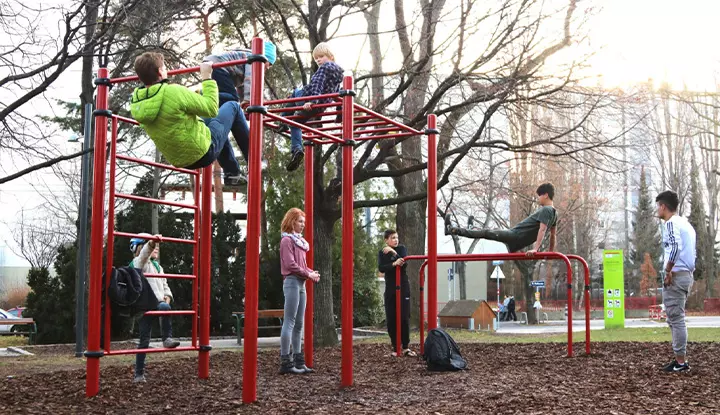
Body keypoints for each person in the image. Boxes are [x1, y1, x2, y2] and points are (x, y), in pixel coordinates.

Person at [130, 52, 245, 185]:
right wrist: (207, 78)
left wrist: (196, 97)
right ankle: (254, 161)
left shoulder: (136, 102)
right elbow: (212, 108)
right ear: (160, 72)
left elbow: (171, 116)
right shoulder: (172, 91)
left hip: (180, 160)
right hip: (203, 152)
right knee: (233, 106)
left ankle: (232, 173)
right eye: (165, 68)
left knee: (217, 125)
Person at [203, 42, 277, 165]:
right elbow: (250, 80)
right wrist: (248, 103)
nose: (268, 67)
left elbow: (241, 89)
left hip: (210, 68)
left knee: (221, 114)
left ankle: (231, 167)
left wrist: (246, 105)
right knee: (231, 101)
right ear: (265, 58)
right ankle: (252, 157)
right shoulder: (253, 59)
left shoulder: (241, 60)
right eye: (269, 63)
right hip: (218, 67)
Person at [445, 183, 558, 255]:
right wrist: (551, 252)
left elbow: (542, 230)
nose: (538, 198)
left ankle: (451, 230)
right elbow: (553, 235)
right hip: (517, 240)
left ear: (546, 195)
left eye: (539, 195)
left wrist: (535, 249)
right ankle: (472, 228)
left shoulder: (546, 210)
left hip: (515, 236)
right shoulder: (554, 213)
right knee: (493, 230)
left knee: (487, 232)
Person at [282, 42, 344, 172]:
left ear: (331, 56)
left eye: (321, 56)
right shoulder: (339, 75)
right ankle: (297, 150)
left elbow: (317, 85)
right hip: (320, 107)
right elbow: (337, 94)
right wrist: (339, 114)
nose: (318, 60)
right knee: (295, 123)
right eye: (316, 58)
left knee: (294, 93)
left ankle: (282, 121)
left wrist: (311, 101)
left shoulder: (324, 68)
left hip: (309, 99)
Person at [129, 233, 180, 383]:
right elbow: (144, 256)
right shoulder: (139, 263)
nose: (156, 248)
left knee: (164, 306)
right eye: (152, 246)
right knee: (144, 340)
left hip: (158, 303)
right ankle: (138, 374)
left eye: (157, 246)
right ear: (140, 248)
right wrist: (151, 243)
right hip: (145, 306)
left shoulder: (158, 266)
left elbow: (164, 284)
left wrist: (168, 296)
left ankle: (167, 338)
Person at [656, 190, 696, 373]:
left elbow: (675, 247)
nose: (657, 210)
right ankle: (680, 359)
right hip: (686, 274)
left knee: (675, 318)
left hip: (677, 275)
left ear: (663, 206)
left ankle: (681, 362)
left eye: (658, 206)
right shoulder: (685, 224)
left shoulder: (671, 223)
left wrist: (668, 270)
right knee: (675, 317)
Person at [279, 208, 320, 374]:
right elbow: (290, 265)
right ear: (291, 222)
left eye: (303, 221)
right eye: (300, 221)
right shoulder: (287, 241)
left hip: (301, 283)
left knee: (299, 324)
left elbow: (301, 266)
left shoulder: (300, 242)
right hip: (291, 282)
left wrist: (311, 272)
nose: (303, 225)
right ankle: (285, 363)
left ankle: (298, 360)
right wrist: (308, 273)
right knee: (289, 321)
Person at [377, 229, 417, 357]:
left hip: (403, 286)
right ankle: (395, 347)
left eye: (396, 237)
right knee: (391, 318)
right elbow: (382, 268)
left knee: (404, 316)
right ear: (386, 240)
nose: (396, 240)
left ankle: (405, 347)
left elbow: (403, 264)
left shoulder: (401, 249)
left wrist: (394, 252)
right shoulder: (382, 252)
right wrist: (394, 263)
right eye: (393, 238)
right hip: (390, 288)